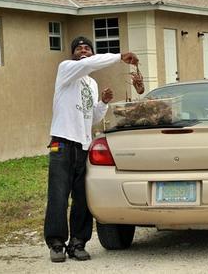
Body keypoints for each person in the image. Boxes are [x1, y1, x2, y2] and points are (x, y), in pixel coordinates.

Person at [44, 36, 144, 262]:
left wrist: (103, 103)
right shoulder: (67, 69)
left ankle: (78, 243)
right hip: (62, 143)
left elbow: (91, 118)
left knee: (82, 198)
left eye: (87, 48)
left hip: (83, 145)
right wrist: (120, 57)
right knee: (58, 196)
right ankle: (57, 244)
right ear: (73, 54)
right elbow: (88, 64)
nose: (83, 50)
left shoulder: (91, 83)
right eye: (78, 48)